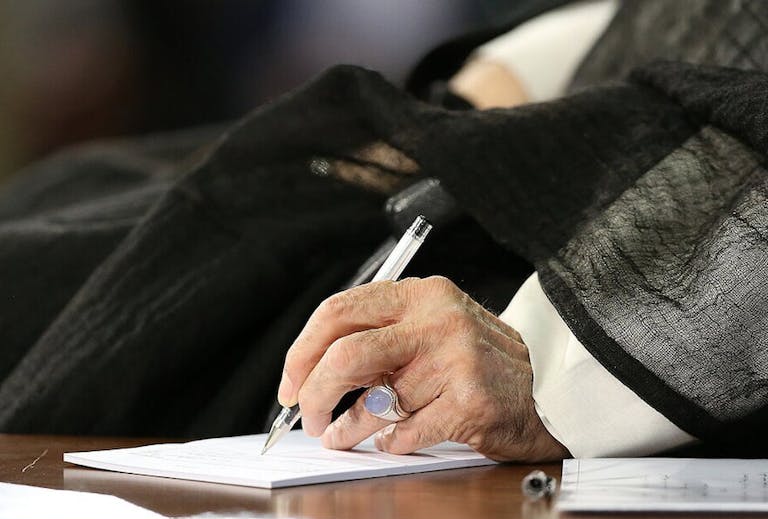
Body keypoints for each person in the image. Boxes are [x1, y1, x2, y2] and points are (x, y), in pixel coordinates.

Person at [0, 0, 765, 462]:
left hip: (612, 264)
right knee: (72, 192)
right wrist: (504, 91)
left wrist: (551, 364)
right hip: (516, 129)